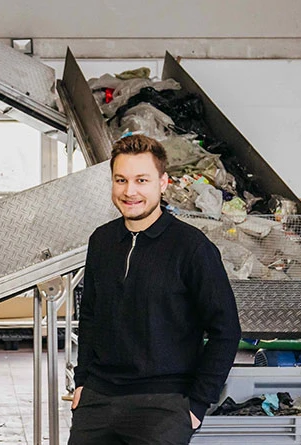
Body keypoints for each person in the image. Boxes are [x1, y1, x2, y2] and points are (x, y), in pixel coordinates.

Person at [69, 134, 241, 445]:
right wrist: (82, 383)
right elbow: (91, 316)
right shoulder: (102, 241)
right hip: (98, 399)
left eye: (141, 180)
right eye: (120, 180)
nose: (129, 191)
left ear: (163, 183)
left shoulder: (192, 247)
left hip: (163, 404)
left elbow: (226, 330)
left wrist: (197, 404)